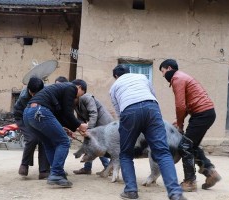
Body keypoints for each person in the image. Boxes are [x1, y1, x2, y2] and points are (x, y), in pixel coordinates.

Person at [109, 65, 186, 200]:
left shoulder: (114, 87)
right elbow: (153, 96)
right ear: (129, 72)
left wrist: (128, 129)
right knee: (162, 152)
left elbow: (119, 113)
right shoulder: (142, 77)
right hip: (152, 108)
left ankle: (131, 191)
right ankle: (175, 193)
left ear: (116, 76)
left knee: (126, 154)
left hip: (129, 111)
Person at [159, 59, 221, 192]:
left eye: (163, 72)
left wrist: (180, 125)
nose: (163, 76)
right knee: (191, 146)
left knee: (184, 147)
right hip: (206, 113)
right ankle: (210, 173)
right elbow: (187, 105)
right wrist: (179, 120)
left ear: (169, 68)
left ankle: (190, 182)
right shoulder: (183, 77)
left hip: (201, 114)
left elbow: (180, 105)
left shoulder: (177, 79)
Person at [23, 79, 88, 187]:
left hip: (28, 114)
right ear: (79, 87)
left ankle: (57, 173)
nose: (79, 97)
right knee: (63, 142)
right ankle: (56, 174)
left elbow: (60, 117)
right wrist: (80, 125)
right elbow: (67, 113)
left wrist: (71, 129)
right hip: (39, 112)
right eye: (82, 93)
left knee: (49, 143)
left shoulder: (58, 93)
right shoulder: (71, 87)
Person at [14, 77, 50, 179]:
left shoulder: (46, 93)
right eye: (32, 93)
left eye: (37, 93)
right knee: (32, 138)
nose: (34, 96)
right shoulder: (24, 96)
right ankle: (24, 165)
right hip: (22, 116)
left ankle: (44, 171)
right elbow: (28, 114)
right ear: (28, 90)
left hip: (38, 116)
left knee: (44, 139)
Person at [73, 92, 113, 175]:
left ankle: (107, 167)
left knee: (97, 146)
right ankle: (88, 168)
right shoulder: (76, 104)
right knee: (91, 144)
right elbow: (80, 118)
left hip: (103, 124)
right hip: (93, 125)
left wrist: (89, 130)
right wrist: (81, 127)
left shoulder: (87, 98)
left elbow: (93, 114)